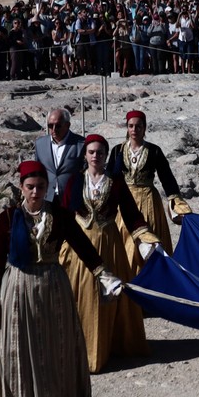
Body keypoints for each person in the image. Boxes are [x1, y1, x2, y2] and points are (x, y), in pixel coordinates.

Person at [0, 161, 124, 397]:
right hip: (18, 290)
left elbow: (82, 246)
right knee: (19, 353)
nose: (35, 192)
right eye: (30, 187)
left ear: (48, 188)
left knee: (53, 350)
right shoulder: (8, 218)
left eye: (41, 187)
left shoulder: (58, 215)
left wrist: (104, 275)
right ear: (21, 187)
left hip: (52, 287)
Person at [63, 134, 159, 372]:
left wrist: (145, 239)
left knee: (110, 297)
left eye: (100, 152)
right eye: (92, 152)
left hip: (109, 245)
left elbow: (130, 214)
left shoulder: (116, 182)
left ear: (107, 156)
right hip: (81, 247)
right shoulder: (75, 181)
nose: (96, 156)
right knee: (83, 295)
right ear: (85, 155)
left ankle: (110, 345)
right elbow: (64, 214)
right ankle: (80, 347)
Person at [108, 110, 190, 268]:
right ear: (127, 128)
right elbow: (110, 178)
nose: (134, 130)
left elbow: (167, 178)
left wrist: (177, 203)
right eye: (131, 126)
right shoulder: (117, 150)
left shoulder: (154, 151)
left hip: (148, 201)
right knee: (125, 237)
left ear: (144, 128)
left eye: (138, 126)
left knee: (150, 238)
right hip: (124, 201)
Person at [35, 108, 86, 202]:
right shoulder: (40, 144)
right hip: (47, 198)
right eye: (50, 125)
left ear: (68, 125)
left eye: (58, 125)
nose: (53, 129)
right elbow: (38, 171)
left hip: (71, 198)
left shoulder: (81, 144)